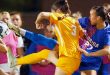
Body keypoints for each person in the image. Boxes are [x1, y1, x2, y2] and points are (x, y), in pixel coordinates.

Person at [10, 0, 84, 75]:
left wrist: (37, 23)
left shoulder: (60, 17)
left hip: (67, 60)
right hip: (74, 58)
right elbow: (83, 36)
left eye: (52, 12)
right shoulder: (74, 22)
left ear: (58, 11)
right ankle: (16, 61)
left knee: (45, 41)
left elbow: (42, 14)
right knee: (45, 52)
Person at [78, 6, 110, 75]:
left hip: (91, 62)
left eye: (91, 15)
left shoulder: (107, 33)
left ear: (98, 18)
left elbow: (107, 50)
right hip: (78, 57)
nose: (89, 17)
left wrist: (89, 54)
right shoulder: (87, 21)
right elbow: (73, 22)